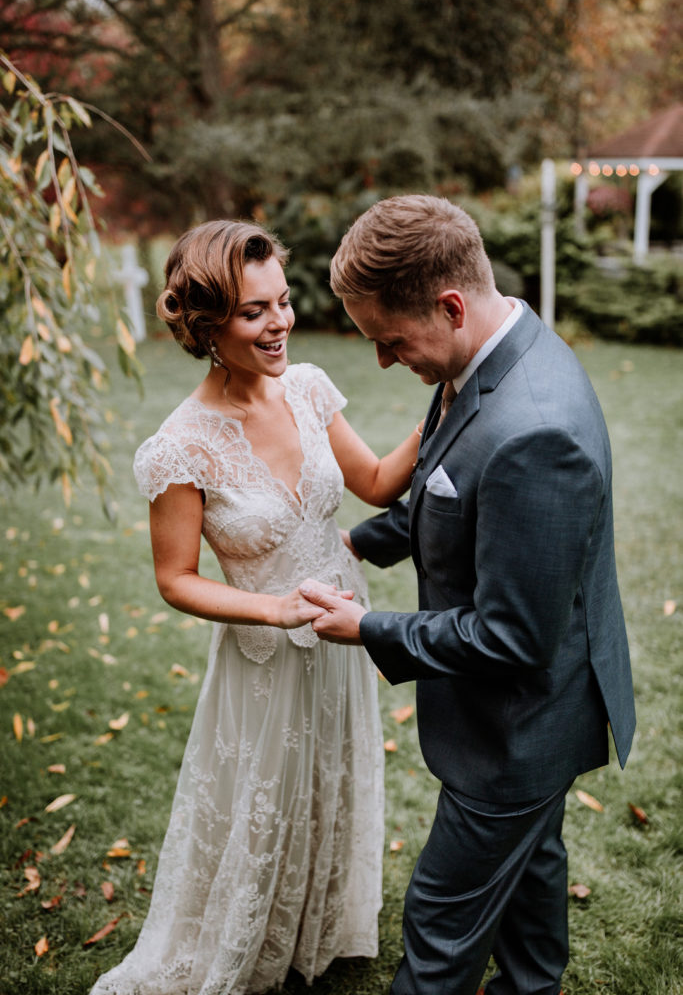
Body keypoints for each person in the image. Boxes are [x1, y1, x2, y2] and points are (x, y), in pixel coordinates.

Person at [300, 194, 636, 995]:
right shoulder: (490, 350)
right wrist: (358, 543)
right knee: (529, 881)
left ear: (450, 305)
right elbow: (449, 489)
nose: (384, 361)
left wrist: (369, 628)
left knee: (440, 927)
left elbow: (512, 638)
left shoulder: (535, 429)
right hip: (530, 720)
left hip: (519, 725)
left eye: (390, 341)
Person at [89, 219, 424, 995]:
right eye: (253, 312)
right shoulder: (182, 446)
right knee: (261, 805)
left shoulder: (307, 386)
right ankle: (242, 938)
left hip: (342, 632)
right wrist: (271, 610)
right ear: (208, 327)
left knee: (329, 781)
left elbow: (374, 481)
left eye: (280, 303)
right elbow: (175, 578)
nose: (279, 324)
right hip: (265, 658)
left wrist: (445, 402)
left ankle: (317, 924)